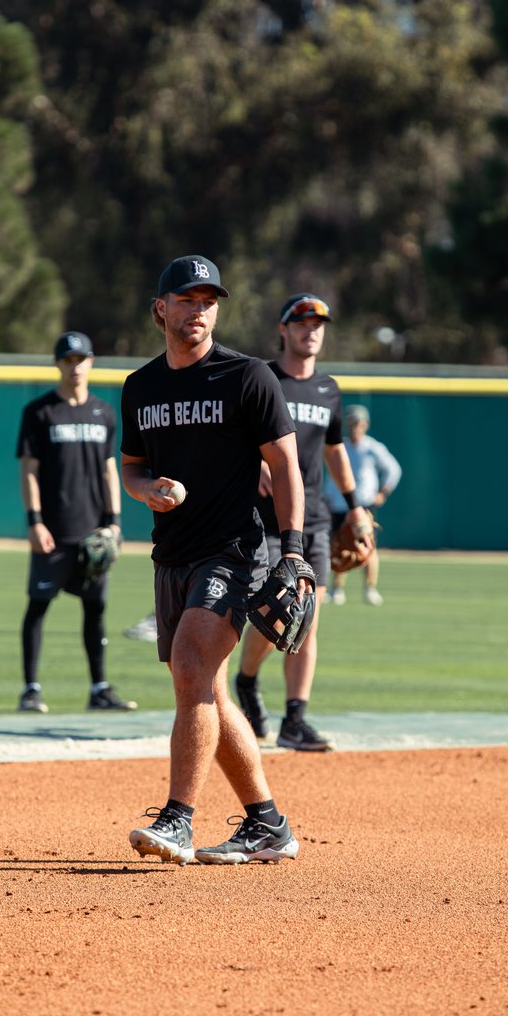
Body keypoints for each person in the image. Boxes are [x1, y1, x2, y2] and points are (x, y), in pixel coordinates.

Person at [120, 254, 311, 866]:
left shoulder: (248, 377)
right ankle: (267, 824)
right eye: (187, 299)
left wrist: (294, 551)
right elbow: (131, 468)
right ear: (162, 309)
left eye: (209, 300)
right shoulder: (140, 387)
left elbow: (284, 466)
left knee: (190, 667)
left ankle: (177, 818)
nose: (199, 310)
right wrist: (145, 489)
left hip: (235, 550)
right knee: (206, 689)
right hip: (171, 555)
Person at [233, 294, 372, 752]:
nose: (310, 330)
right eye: (301, 322)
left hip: (313, 520)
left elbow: (335, 451)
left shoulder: (328, 390)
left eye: (318, 324)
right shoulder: (264, 378)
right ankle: (248, 679)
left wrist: (354, 506)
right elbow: (232, 442)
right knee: (274, 613)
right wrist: (255, 467)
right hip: (266, 521)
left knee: (307, 618)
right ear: (283, 329)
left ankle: (295, 719)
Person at [15, 331, 136, 715]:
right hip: (53, 529)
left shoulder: (103, 412)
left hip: (93, 531)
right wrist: (34, 521)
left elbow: (108, 470)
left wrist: (114, 522)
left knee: (95, 608)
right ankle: (31, 689)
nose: (75, 366)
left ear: (91, 362)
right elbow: (29, 471)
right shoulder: (39, 412)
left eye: (81, 359)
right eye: (68, 360)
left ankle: (99, 688)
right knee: (38, 606)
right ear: (58, 364)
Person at [324, 403, 402, 605]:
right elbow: (333, 475)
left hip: (364, 505)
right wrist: (328, 495)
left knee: (368, 546)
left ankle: (370, 588)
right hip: (340, 504)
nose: (354, 426)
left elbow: (393, 469)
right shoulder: (341, 445)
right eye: (350, 422)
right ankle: (336, 590)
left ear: (365, 424)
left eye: (357, 422)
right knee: (340, 545)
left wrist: (382, 493)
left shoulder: (372, 448)